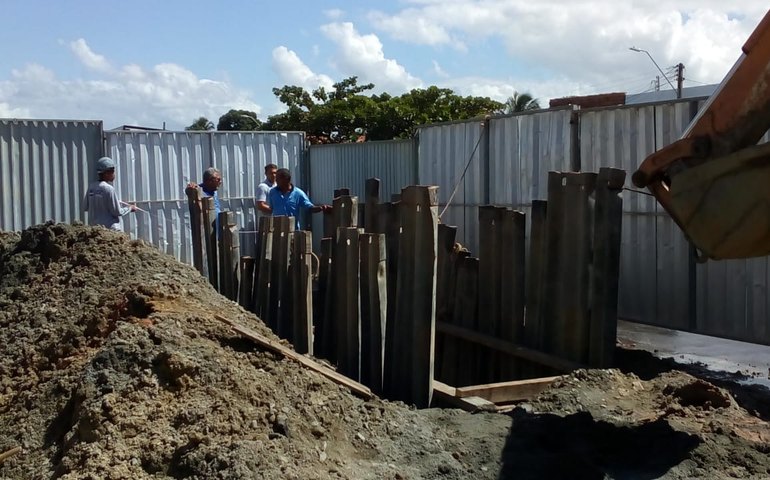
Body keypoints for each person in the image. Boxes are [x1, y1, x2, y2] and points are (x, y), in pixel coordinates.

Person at [82, 156, 136, 230]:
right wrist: (130, 208)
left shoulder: (91, 187)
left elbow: (85, 207)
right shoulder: (109, 189)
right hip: (110, 230)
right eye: (113, 171)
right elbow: (117, 212)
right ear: (107, 173)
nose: (114, 174)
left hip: (95, 230)